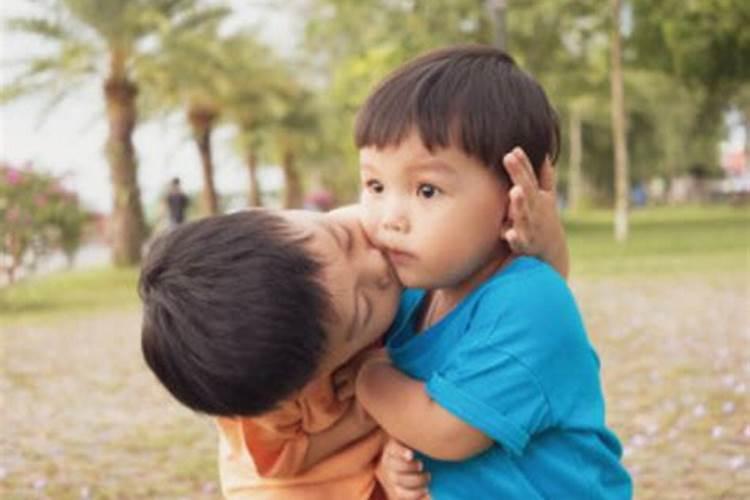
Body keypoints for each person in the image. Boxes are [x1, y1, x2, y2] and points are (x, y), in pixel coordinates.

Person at [138, 154, 563, 498]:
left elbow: (532, 320)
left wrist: (546, 246)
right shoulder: (280, 411)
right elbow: (291, 459)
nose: (377, 264)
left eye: (342, 238)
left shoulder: (356, 291)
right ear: (315, 378)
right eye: (364, 305)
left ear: (265, 211)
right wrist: (375, 408)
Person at [353, 45, 632, 499]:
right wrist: (391, 450)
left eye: (426, 190)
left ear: (515, 195)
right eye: (375, 185)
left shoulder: (528, 300)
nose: (390, 217)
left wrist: (366, 376)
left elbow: (444, 431)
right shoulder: (408, 301)